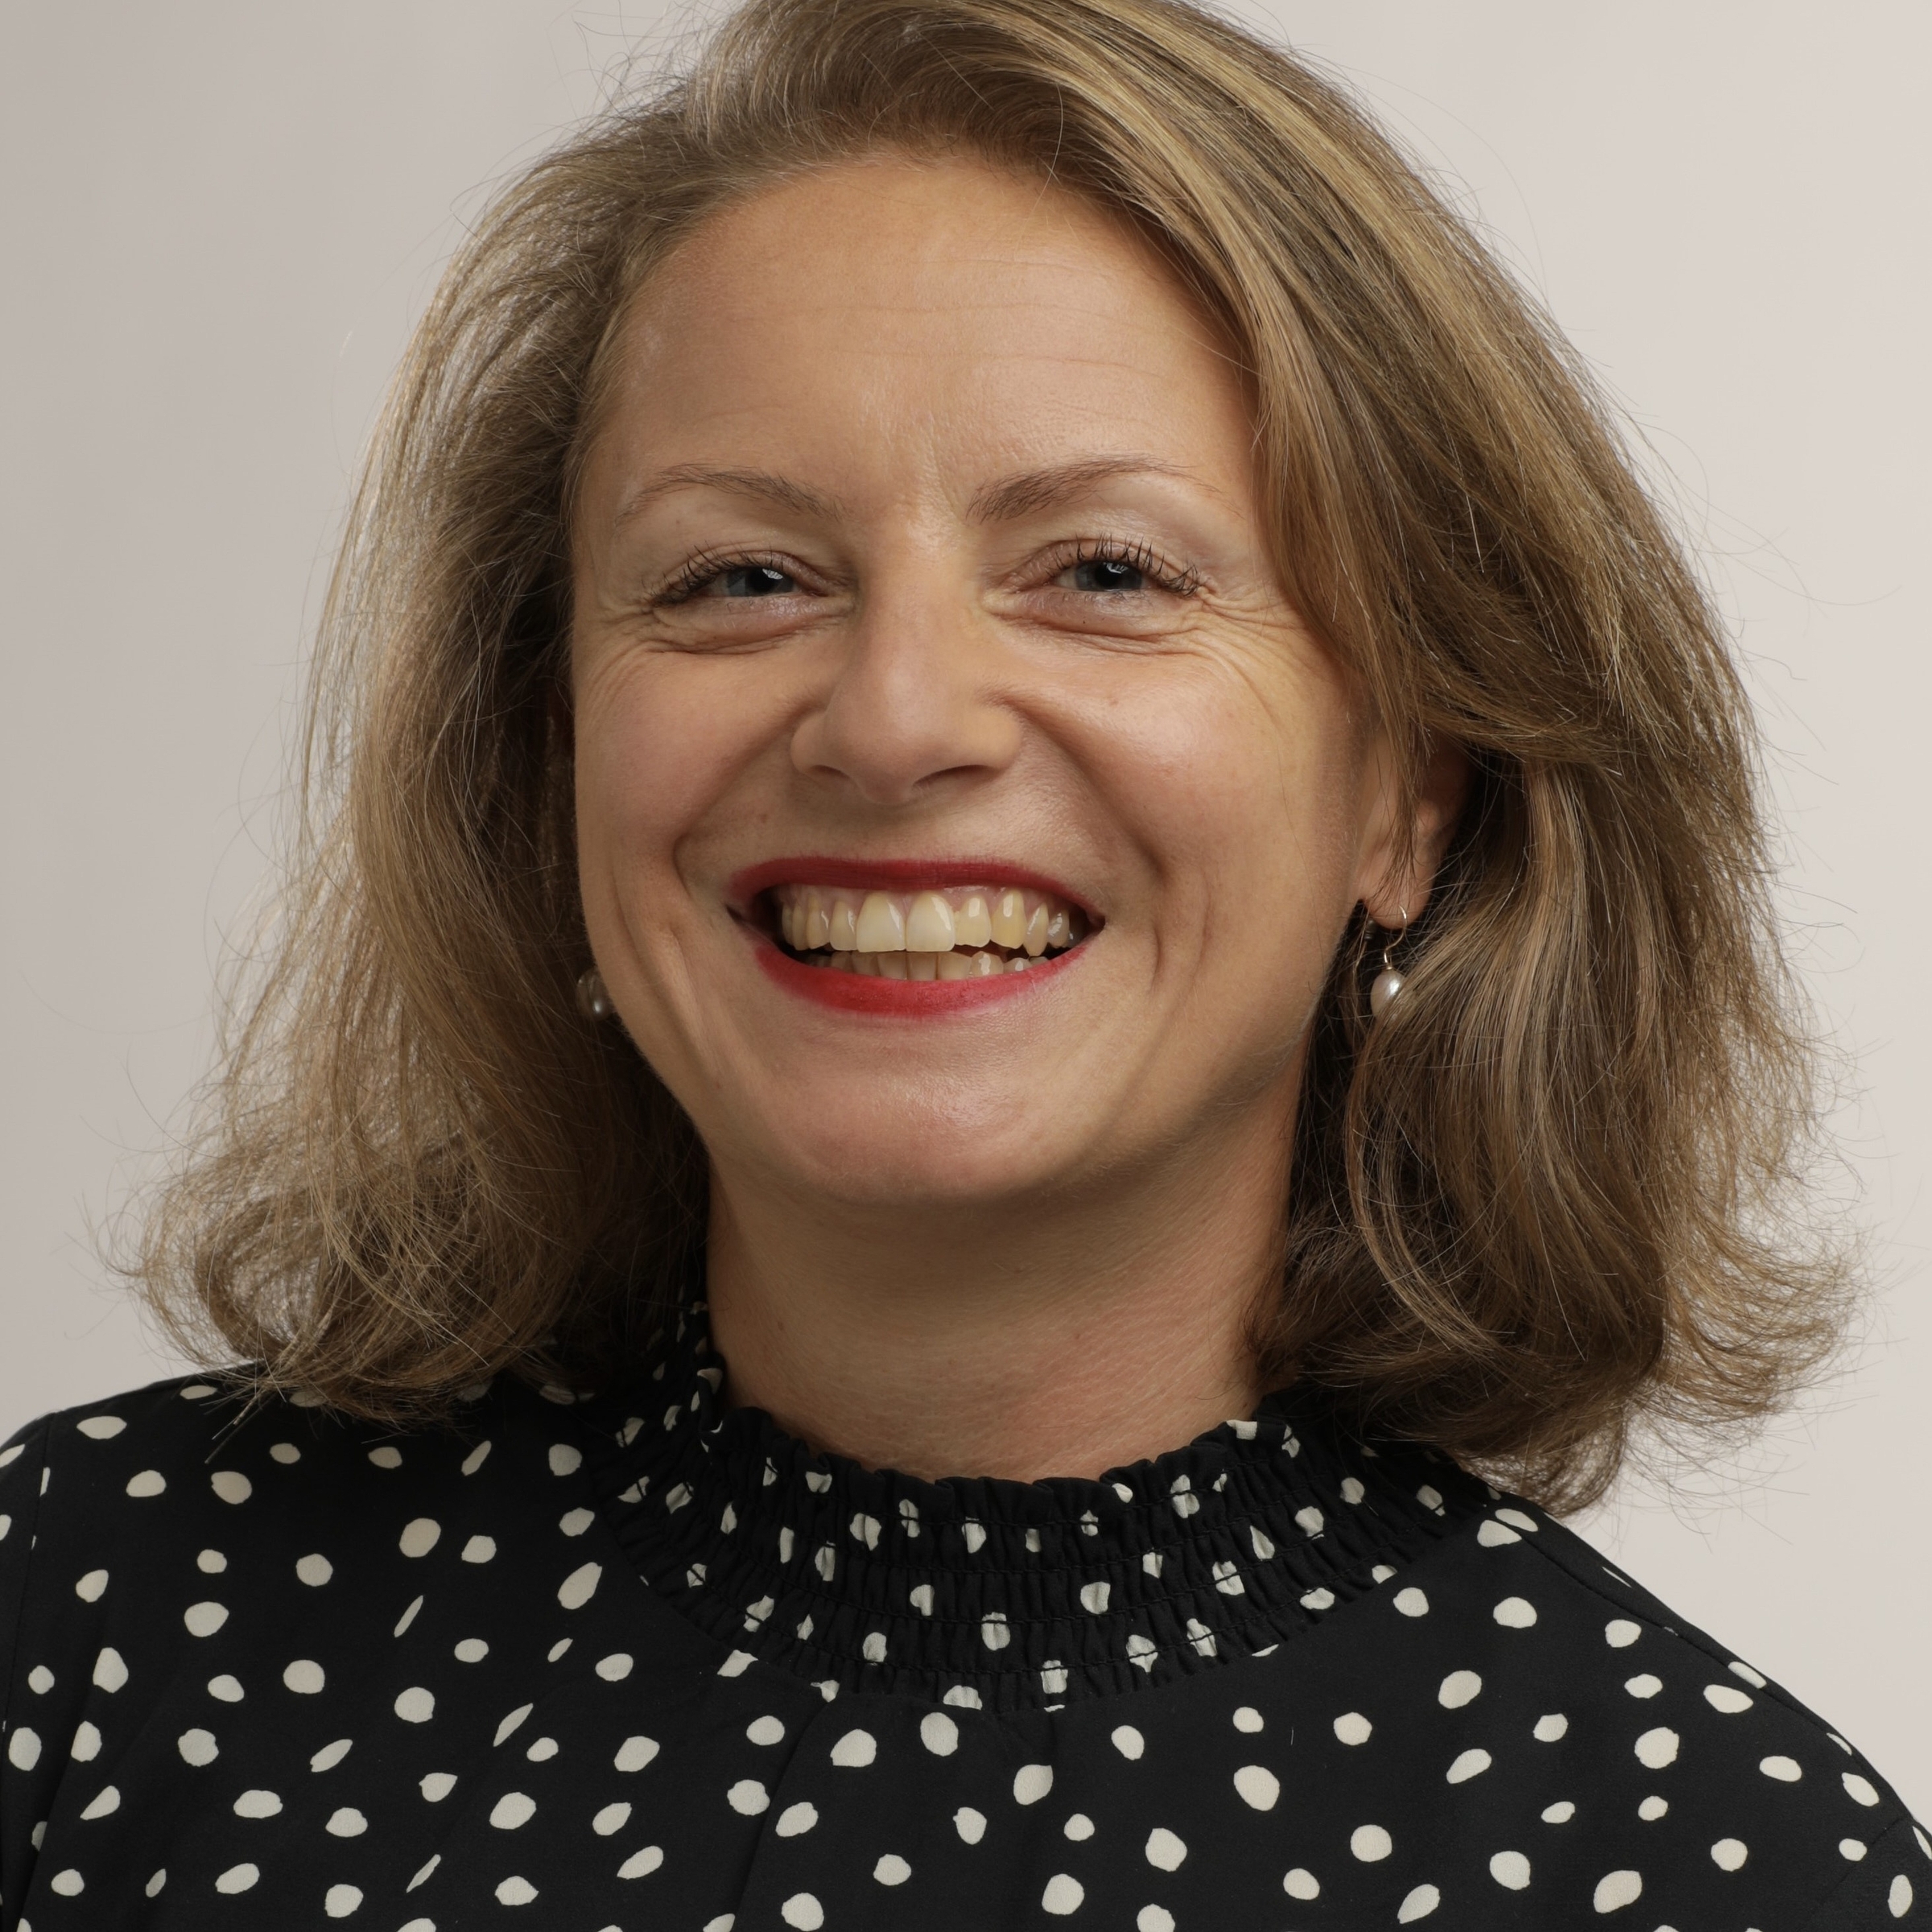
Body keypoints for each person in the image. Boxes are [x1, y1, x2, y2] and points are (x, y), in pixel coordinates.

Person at [2, 0, 1922, 1924]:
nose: (897, 721)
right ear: (549, 749)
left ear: (1412, 791)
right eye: (742, 577)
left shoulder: (1721, 1876)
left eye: (1106, 571)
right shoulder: (87, 1627)